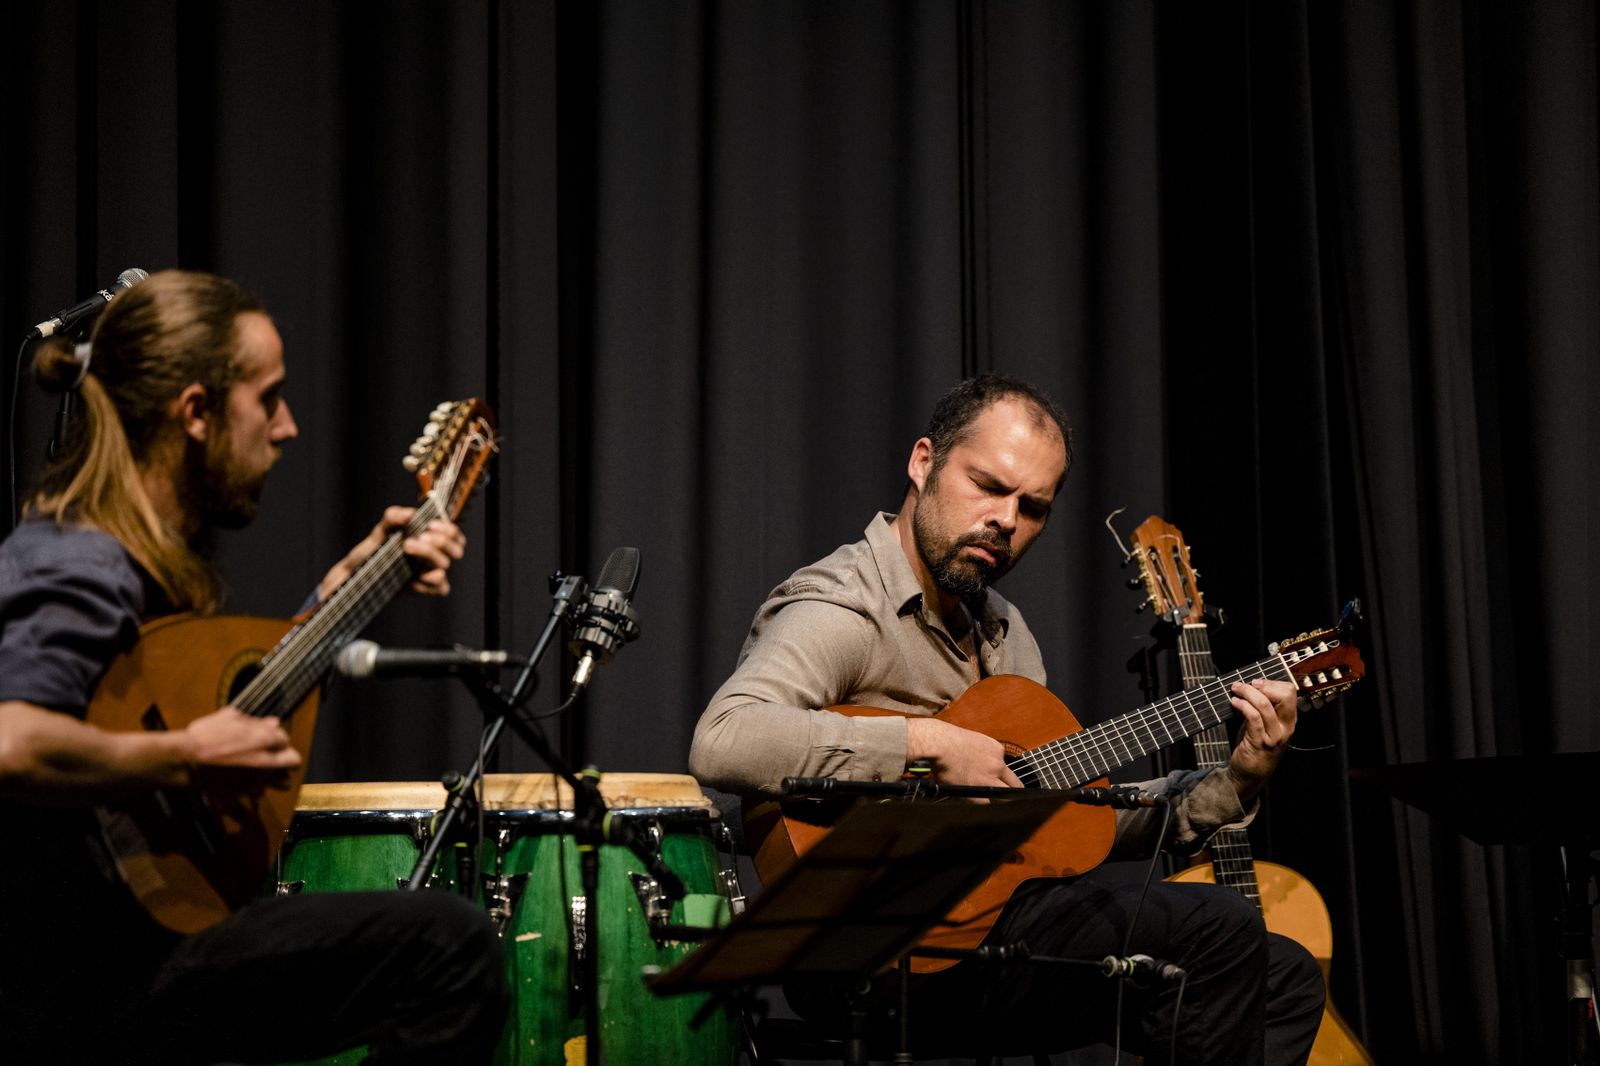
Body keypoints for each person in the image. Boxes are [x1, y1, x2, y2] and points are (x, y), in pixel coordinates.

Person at [689, 374, 1326, 1063]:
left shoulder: (1005, 633)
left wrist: (1237, 781)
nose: (1006, 520)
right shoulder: (845, 606)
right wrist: (925, 744)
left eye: (1033, 507)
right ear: (923, 462)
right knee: (1219, 929)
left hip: (986, 929)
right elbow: (727, 738)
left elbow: (1072, 825)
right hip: (871, 949)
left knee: (1286, 978)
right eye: (989, 486)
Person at [0, 270, 508, 1064]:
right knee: (449, 949)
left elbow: (202, 705)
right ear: (196, 412)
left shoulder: (128, 555)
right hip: (82, 984)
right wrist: (185, 755)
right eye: (268, 399)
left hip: (127, 949)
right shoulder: (83, 562)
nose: (289, 426)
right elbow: (12, 742)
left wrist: (343, 593)